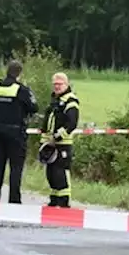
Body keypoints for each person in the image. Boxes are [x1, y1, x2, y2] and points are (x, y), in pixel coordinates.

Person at [0, 60, 37, 204]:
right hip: (15, 133)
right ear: (19, 73)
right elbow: (34, 107)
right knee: (15, 167)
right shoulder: (21, 89)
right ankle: (14, 200)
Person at [42, 72, 80, 208]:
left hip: (63, 144)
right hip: (50, 144)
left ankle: (64, 201)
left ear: (66, 84)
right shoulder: (54, 100)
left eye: (60, 84)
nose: (57, 87)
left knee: (61, 173)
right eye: (55, 84)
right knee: (51, 173)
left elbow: (72, 123)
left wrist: (57, 136)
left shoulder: (71, 101)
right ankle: (54, 200)